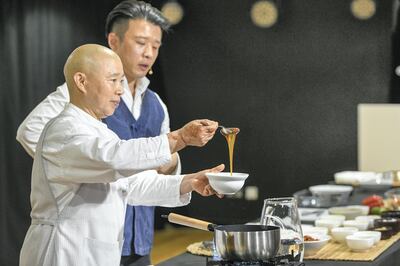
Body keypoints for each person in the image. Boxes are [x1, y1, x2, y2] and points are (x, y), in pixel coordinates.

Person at [15, 1, 205, 265]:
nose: (149, 53)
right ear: (113, 42)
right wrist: (67, 167)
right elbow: (112, 159)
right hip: (69, 247)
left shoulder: (124, 116)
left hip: (128, 237)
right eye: (141, 42)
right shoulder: (69, 118)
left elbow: (130, 181)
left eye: (155, 46)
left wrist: (189, 181)